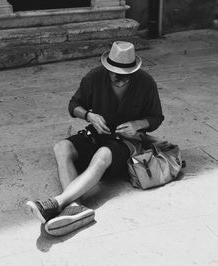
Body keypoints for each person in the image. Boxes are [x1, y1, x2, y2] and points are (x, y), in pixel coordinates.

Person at [26, 41, 164, 236]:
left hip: (126, 142)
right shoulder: (94, 77)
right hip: (98, 133)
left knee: (102, 155)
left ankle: (58, 202)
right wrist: (89, 115)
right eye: (118, 76)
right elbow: (74, 105)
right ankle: (74, 207)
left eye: (127, 77)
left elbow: (156, 117)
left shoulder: (146, 82)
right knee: (61, 147)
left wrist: (138, 125)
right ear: (108, 69)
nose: (123, 80)